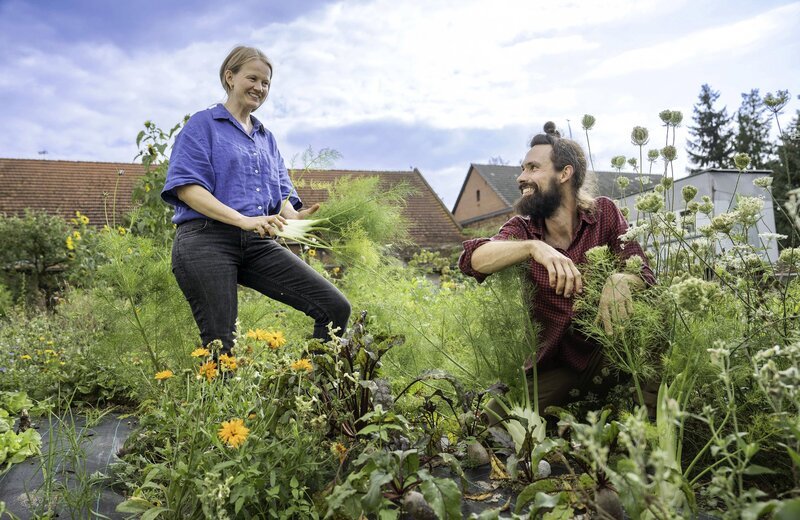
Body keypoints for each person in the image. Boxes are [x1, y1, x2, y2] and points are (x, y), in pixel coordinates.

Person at [161, 45, 351, 356]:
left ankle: (318, 388)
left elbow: (281, 198)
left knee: (334, 306)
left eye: (266, 83)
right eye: (253, 78)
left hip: (255, 242)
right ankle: (216, 402)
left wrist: (296, 218)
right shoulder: (203, 125)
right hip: (205, 240)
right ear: (230, 77)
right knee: (221, 345)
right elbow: (187, 189)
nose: (259, 88)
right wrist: (243, 219)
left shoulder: (266, 138)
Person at [459, 122, 656, 412]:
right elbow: (472, 260)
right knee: (492, 423)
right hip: (554, 365)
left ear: (565, 173)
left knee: (658, 318)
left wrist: (620, 279)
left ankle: (645, 432)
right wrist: (533, 248)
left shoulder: (604, 214)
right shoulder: (524, 231)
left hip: (611, 352)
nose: (521, 177)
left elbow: (646, 277)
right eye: (522, 169)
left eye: (532, 168)